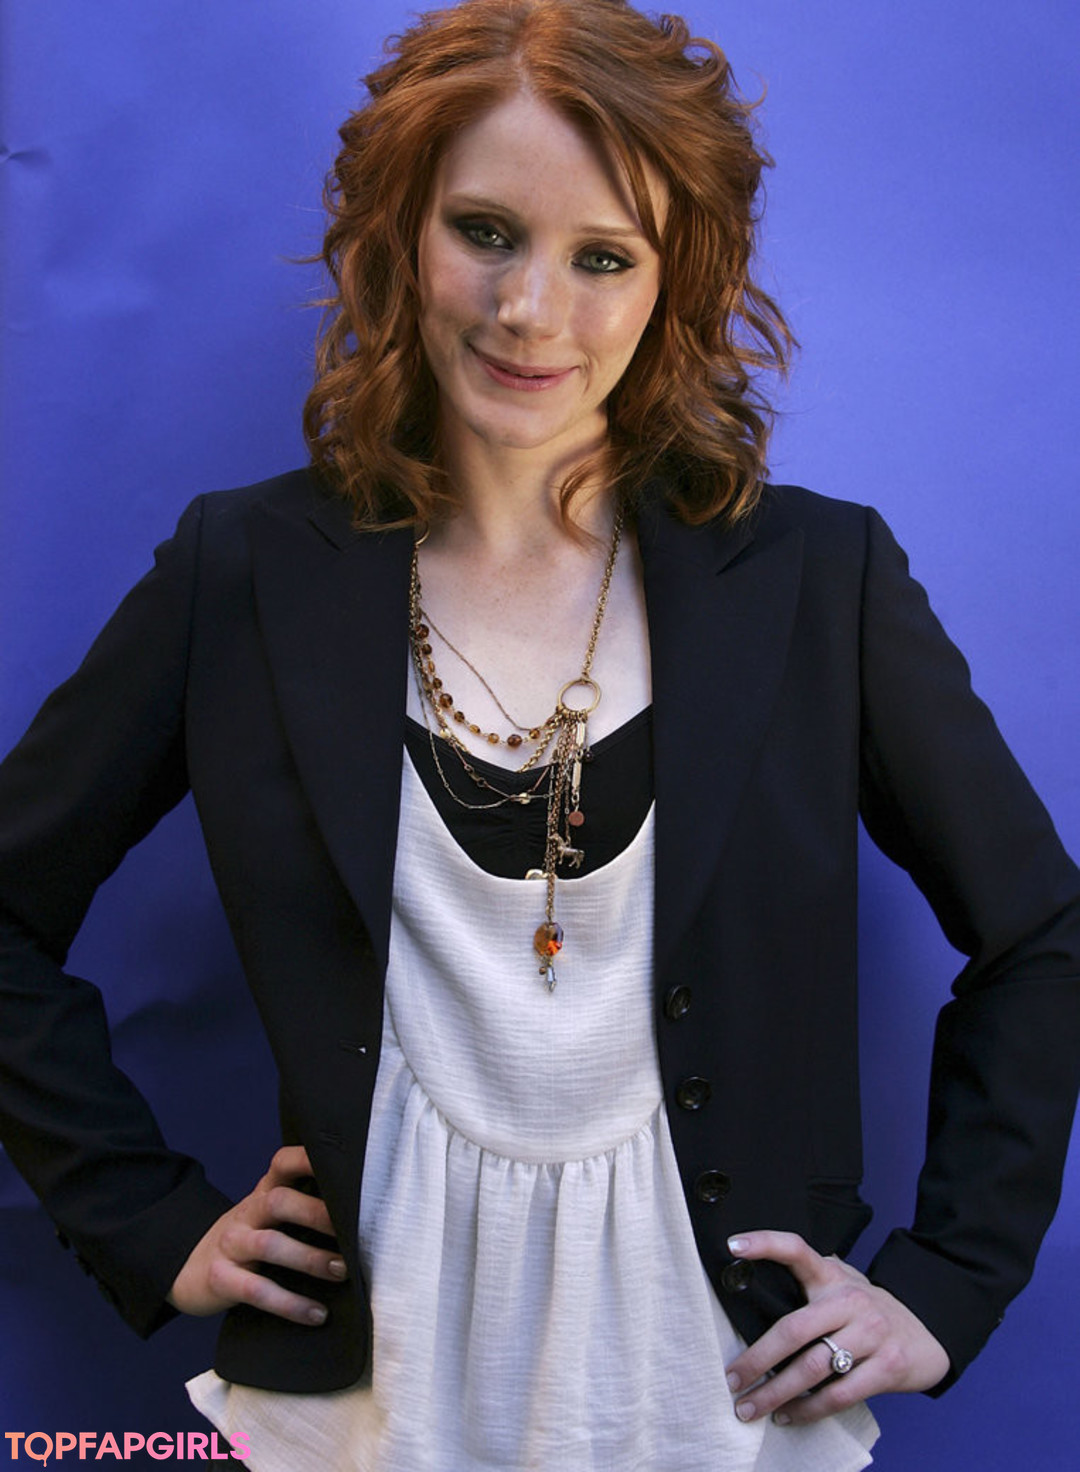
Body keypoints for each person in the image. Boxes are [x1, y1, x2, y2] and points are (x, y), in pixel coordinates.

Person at [0, 0, 1077, 1467]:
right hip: (355, 1417)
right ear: (401, 231)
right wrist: (143, 1217)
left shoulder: (820, 583)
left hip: (723, 1408)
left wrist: (950, 1284)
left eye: (603, 257)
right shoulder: (242, 573)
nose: (528, 310)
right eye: (486, 232)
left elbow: (1044, 936)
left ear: (678, 279)